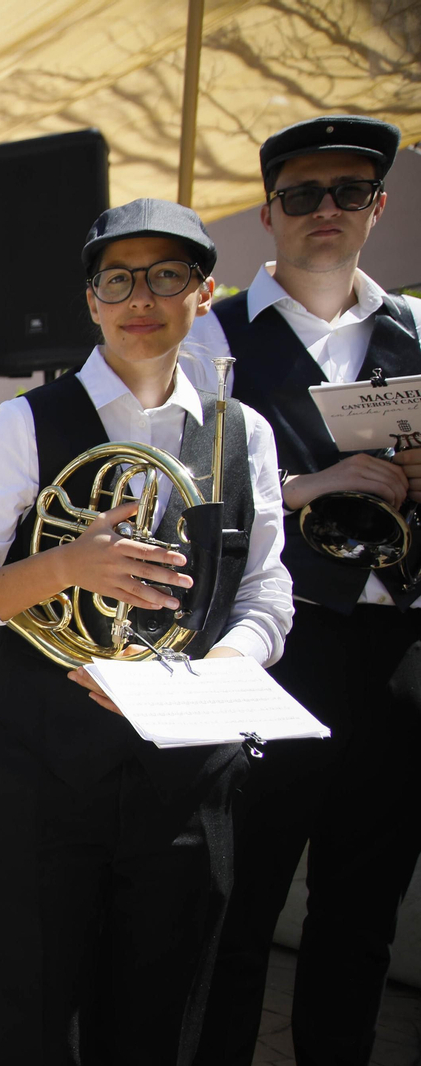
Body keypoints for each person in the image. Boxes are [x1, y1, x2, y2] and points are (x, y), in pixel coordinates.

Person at [0, 199, 293, 1063]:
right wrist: (62, 569)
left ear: (203, 293)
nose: (141, 297)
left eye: (167, 276)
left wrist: (213, 670)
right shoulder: (28, 424)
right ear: (90, 300)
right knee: (29, 1022)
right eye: (117, 278)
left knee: (158, 1028)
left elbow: (268, 594)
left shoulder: (247, 434)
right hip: (44, 780)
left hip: (186, 786)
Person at [181, 115, 421, 1066]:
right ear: (268, 212)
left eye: (349, 192)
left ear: (378, 207)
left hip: (395, 651)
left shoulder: (416, 331)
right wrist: (309, 488)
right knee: (236, 911)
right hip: (276, 651)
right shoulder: (212, 336)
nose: (326, 210)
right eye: (302, 195)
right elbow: (178, 491)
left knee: (361, 919)